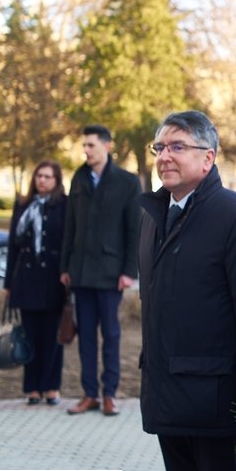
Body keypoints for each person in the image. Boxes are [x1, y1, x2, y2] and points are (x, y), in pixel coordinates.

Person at [139, 110, 236, 471]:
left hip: (216, 408)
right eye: (160, 147)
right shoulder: (153, 215)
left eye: (177, 146)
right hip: (167, 400)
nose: (164, 156)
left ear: (208, 157)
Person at [60, 124, 141, 416]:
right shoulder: (79, 178)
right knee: (86, 337)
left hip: (110, 273)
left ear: (107, 146)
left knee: (111, 334)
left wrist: (129, 271)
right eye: (84, 145)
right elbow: (70, 225)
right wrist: (65, 266)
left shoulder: (127, 181)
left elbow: (133, 229)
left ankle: (110, 394)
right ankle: (89, 394)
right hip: (81, 272)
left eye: (91, 145)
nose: (86, 150)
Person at [4, 161, 68, 406]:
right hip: (26, 279)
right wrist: (8, 283)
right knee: (29, 335)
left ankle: (51, 387)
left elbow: (69, 242)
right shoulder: (23, 205)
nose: (42, 180)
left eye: (48, 176)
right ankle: (31, 388)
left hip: (54, 279)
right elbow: (13, 246)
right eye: (39, 176)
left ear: (56, 180)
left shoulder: (65, 205)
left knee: (52, 337)